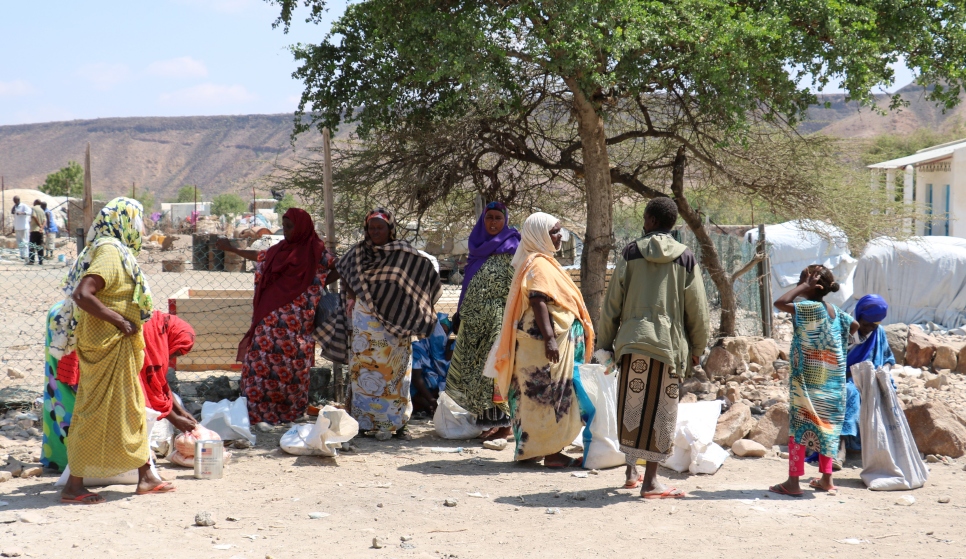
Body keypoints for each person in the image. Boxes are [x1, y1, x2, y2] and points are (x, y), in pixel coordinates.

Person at [51, 197, 170, 504]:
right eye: (138, 220)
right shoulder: (110, 251)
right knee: (93, 412)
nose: (142, 227)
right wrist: (120, 321)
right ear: (124, 221)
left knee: (131, 407)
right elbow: (83, 293)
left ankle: (146, 476)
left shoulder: (119, 252)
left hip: (118, 346)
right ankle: (73, 486)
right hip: (106, 344)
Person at [597, 197, 710, 498]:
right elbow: (697, 308)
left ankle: (631, 472)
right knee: (661, 411)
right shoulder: (685, 257)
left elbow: (612, 303)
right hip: (668, 347)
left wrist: (604, 344)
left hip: (633, 341)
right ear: (672, 224)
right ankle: (651, 482)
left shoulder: (631, 253)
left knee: (633, 405)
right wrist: (697, 347)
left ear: (648, 219)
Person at [316, 209, 442, 441]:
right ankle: (365, 423)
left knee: (395, 373)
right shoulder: (356, 254)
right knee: (365, 370)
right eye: (371, 228)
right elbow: (343, 272)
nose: (375, 232)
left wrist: (411, 308)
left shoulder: (403, 253)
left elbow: (424, 275)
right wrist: (352, 297)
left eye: (379, 228)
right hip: (365, 322)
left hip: (397, 325)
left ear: (390, 229)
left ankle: (398, 424)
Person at [486, 212, 594, 467]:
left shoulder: (541, 262)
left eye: (559, 231)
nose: (560, 237)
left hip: (538, 345)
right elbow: (537, 299)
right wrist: (550, 339)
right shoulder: (538, 264)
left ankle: (530, 451)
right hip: (541, 346)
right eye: (554, 232)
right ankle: (553, 454)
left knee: (536, 396)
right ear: (539, 235)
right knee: (548, 395)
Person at [217, 208, 338, 425]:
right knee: (259, 358)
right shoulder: (280, 249)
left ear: (302, 227)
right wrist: (231, 249)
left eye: (290, 227)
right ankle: (258, 412)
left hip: (298, 324)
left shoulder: (316, 251)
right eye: (284, 226)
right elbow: (259, 256)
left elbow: (339, 266)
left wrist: (318, 283)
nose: (287, 231)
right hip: (269, 317)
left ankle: (289, 413)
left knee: (294, 364)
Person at [42, 309, 198, 472]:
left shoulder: (154, 327)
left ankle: (62, 463)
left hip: (67, 323)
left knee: (63, 403)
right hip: (83, 345)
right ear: (170, 338)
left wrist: (180, 411)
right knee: (86, 415)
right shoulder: (146, 334)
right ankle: (76, 472)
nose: (172, 358)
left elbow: (154, 381)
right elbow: (144, 386)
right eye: (176, 352)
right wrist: (175, 419)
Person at [769, 265, 857, 497]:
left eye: (802, 281)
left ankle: (793, 483)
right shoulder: (835, 312)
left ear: (814, 286)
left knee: (799, 428)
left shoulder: (807, 308)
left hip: (807, 381)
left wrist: (802, 287)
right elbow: (855, 326)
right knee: (828, 428)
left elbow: (779, 303)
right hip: (833, 382)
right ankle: (826, 480)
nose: (799, 285)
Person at [445, 202, 520, 440]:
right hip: (474, 321)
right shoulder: (476, 246)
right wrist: (460, 314)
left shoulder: (513, 246)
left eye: (498, 218)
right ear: (483, 221)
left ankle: (505, 422)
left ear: (505, 220)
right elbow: (468, 285)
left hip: (500, 319)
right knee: (477, 370)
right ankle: (487, 421)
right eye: (490, 218)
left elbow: (516, 286)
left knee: (496, 368)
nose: (494, 222)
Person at [842, 294, 895, 452]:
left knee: (888, 389)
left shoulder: (878, 332)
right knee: (850, 392)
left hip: (871, 379)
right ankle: (842, 445)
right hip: (844, 378)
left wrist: (884, 370)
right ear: (858, 316)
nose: (868, 330)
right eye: (865, 325)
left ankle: (880, 445)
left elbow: (888, 358)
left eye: (873, 326)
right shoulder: (844, 331)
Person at [411, 313, 452, 417]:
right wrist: (431, 401)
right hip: (417, 389)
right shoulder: (418, 348)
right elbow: (416, 378)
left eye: (445, 333)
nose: (441, 337)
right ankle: (426, 405)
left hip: (431, 391)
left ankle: (428, 405)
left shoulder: (445, 351)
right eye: (439, 332)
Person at [11, 196, 31, 260]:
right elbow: (12, 212)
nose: (14, 201)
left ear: (18, 200)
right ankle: (22, 255)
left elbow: (29, 212)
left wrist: (22, 213)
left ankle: (26, 255)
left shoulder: (24, 206)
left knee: (25, 241)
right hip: (17, 227)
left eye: (15, 200)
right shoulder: (15, 207)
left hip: (24, 226)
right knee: (19, 242)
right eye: (13, 200)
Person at [28, 199, 47, 265]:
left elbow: (34, 216)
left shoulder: (33, 208)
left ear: (35, 202)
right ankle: (41, 260)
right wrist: (41, 227)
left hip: (34, 230)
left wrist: (39, 225)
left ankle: (31, 260)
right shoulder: (42, 210)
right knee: (40, 246)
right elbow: (45, 220)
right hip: (40, 231)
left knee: (32, 245)